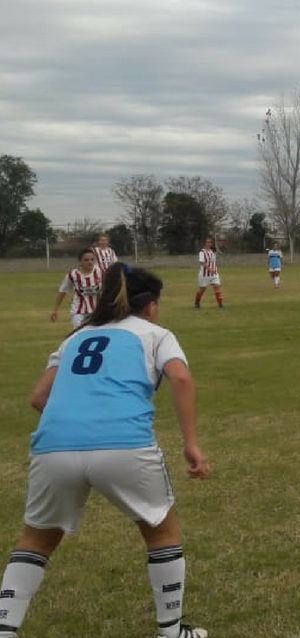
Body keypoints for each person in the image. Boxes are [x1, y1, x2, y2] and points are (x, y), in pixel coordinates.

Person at [0, 262, 211, 638]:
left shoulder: (75, 337)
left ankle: (4, 628)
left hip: (53, 447)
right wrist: (191, 444)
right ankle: (171, 632)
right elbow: (180, 377)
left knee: (36, 540)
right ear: (151, 306)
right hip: (124, 445)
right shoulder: (156, 334)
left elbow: (38, 398)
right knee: (161, 533)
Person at [50, 248, 102, 328]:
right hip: (78, 311)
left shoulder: (100, 272)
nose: (90, 262)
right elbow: (63, 291)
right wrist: (55, 310)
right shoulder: (73, 275)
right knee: (79, 332)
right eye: (86, 260)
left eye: (92, 259)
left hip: (96, 311)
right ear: (80, 261)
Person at [193, 237, 224, 309]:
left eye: (210, 242)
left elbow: (214, 260)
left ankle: (220, 304)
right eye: (208, 242)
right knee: (202, 289)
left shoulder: (213, 251)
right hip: (204, 275)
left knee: (217, 287)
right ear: (204, 243)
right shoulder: (202, 252)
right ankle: (197, 302)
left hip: (214, 273)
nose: (209, 243)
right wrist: (209, 269)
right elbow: (202, 262)